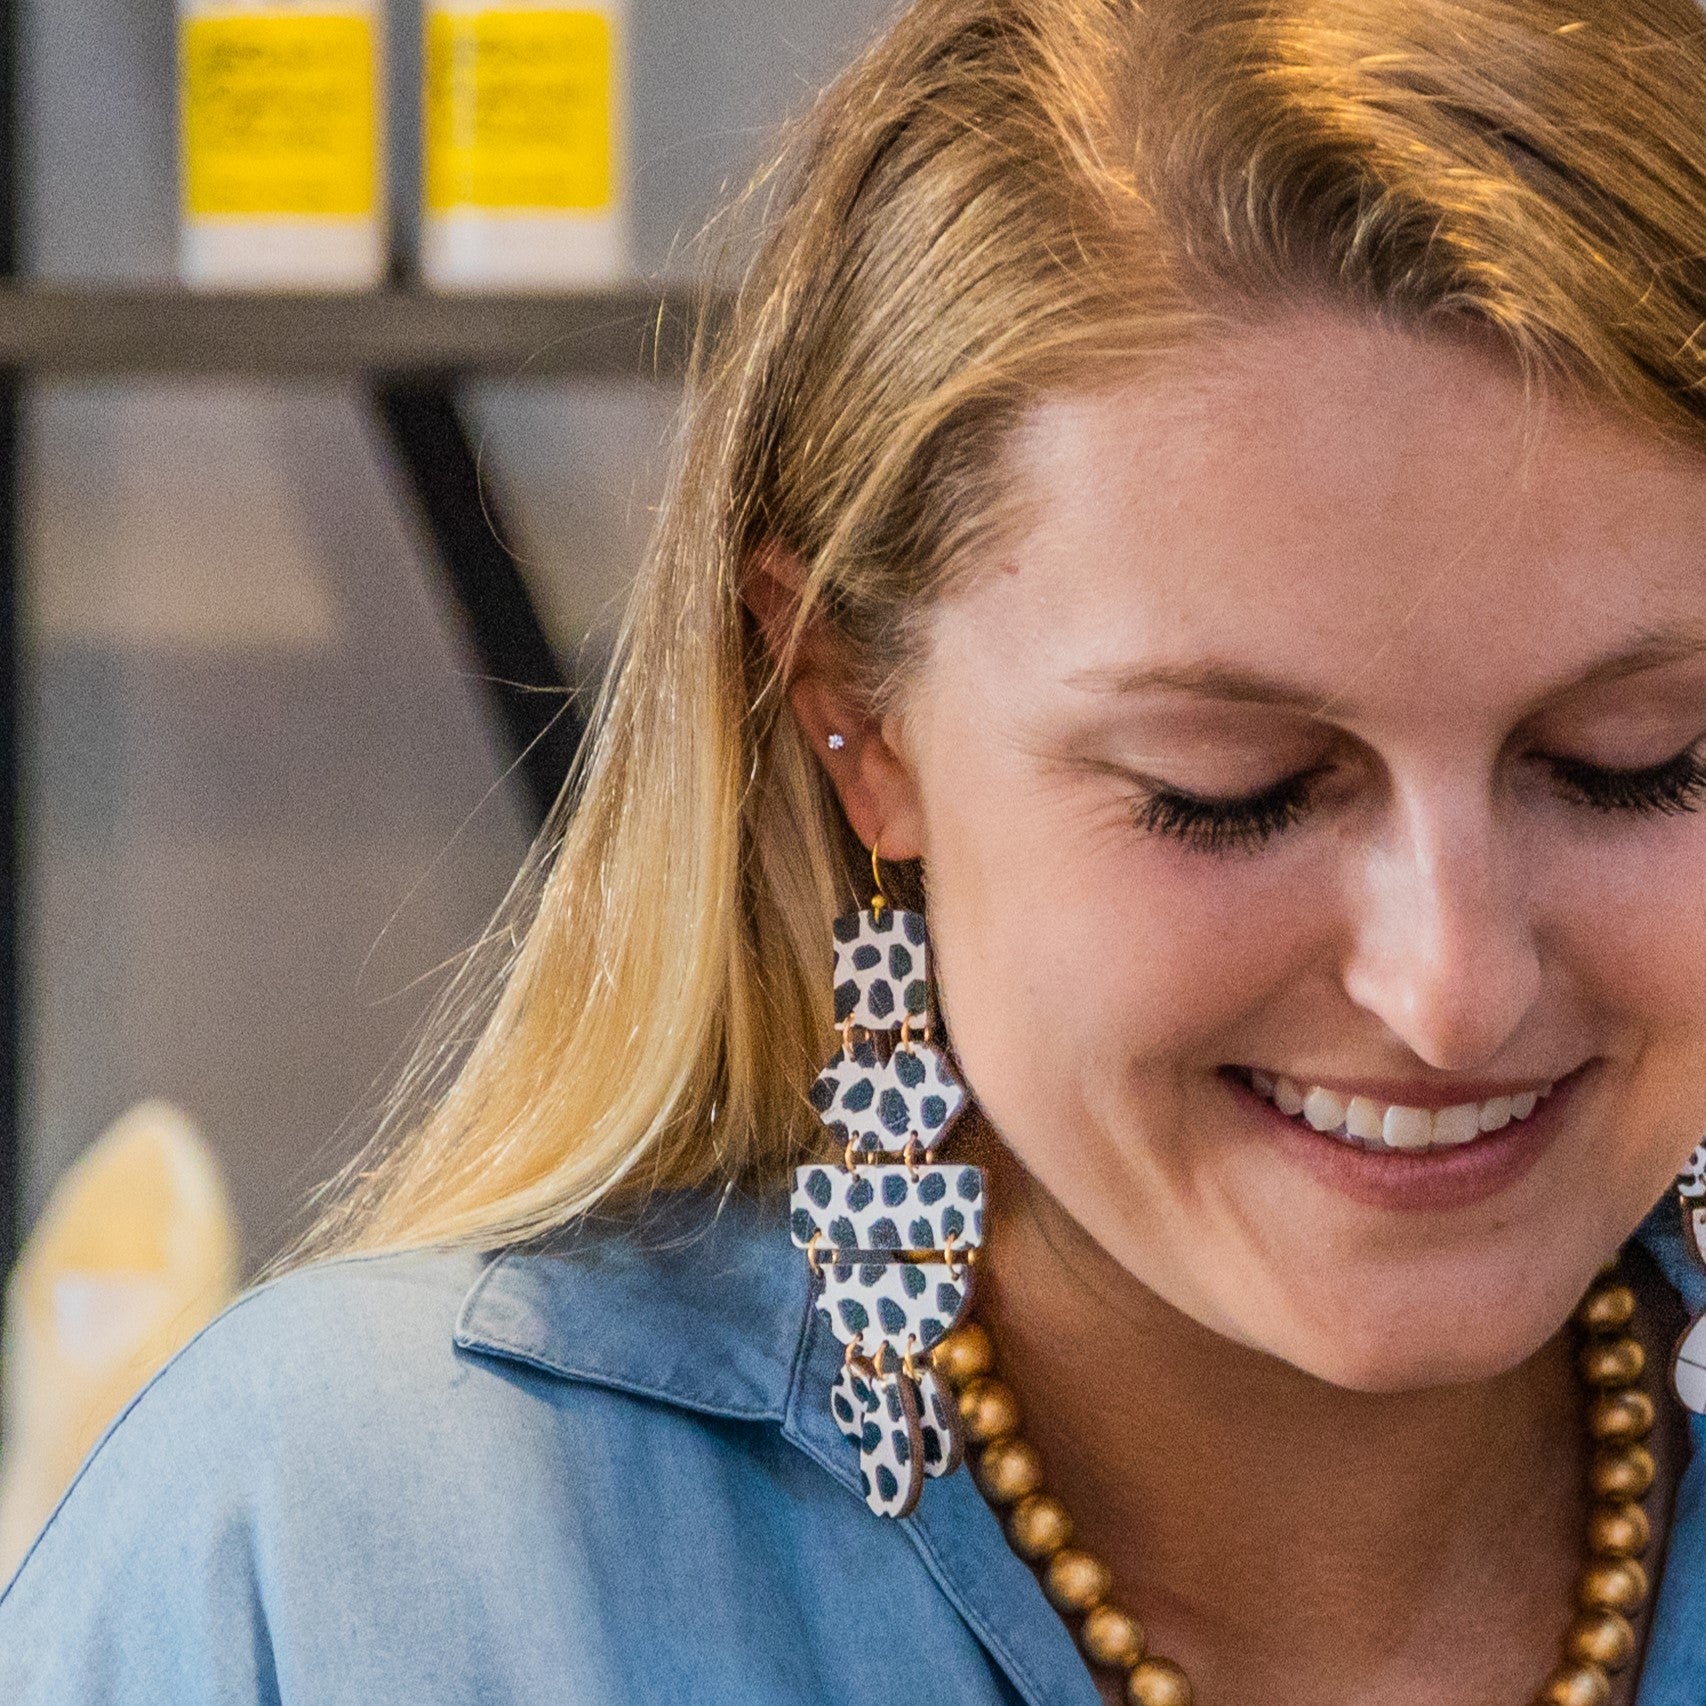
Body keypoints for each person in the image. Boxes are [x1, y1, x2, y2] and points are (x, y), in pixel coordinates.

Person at [5, 1, 1706, 1701]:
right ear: (853, 721)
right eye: (1232, 785)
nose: (1452, 986)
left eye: (1637, 764)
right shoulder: (350, 1564)